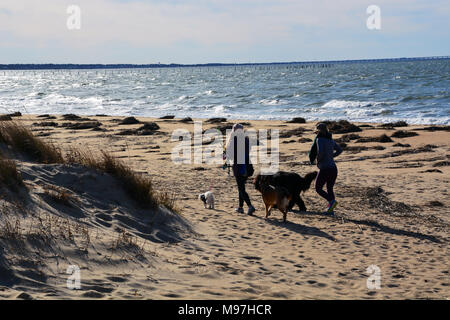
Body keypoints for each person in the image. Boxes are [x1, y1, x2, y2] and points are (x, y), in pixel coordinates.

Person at [309, 123, 342, 215]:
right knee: (329, 188)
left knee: (318, 188)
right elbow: (340, 150)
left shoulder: (319, 139)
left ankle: (332, 202)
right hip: (333, 168)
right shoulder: (330, 140)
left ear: (318, 130)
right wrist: (331, 156)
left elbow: (320, 152)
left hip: (325, 168)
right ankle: (331, 211)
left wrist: (318, 161)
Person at [225, 123, 256, 215]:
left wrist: (225, 154)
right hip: (248, 166)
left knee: (241, 188)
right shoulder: (246, 139)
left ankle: (250, 206)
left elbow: (230, 155)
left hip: (239, 167)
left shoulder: (233, 140)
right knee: (241, 187)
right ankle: (240, 207)